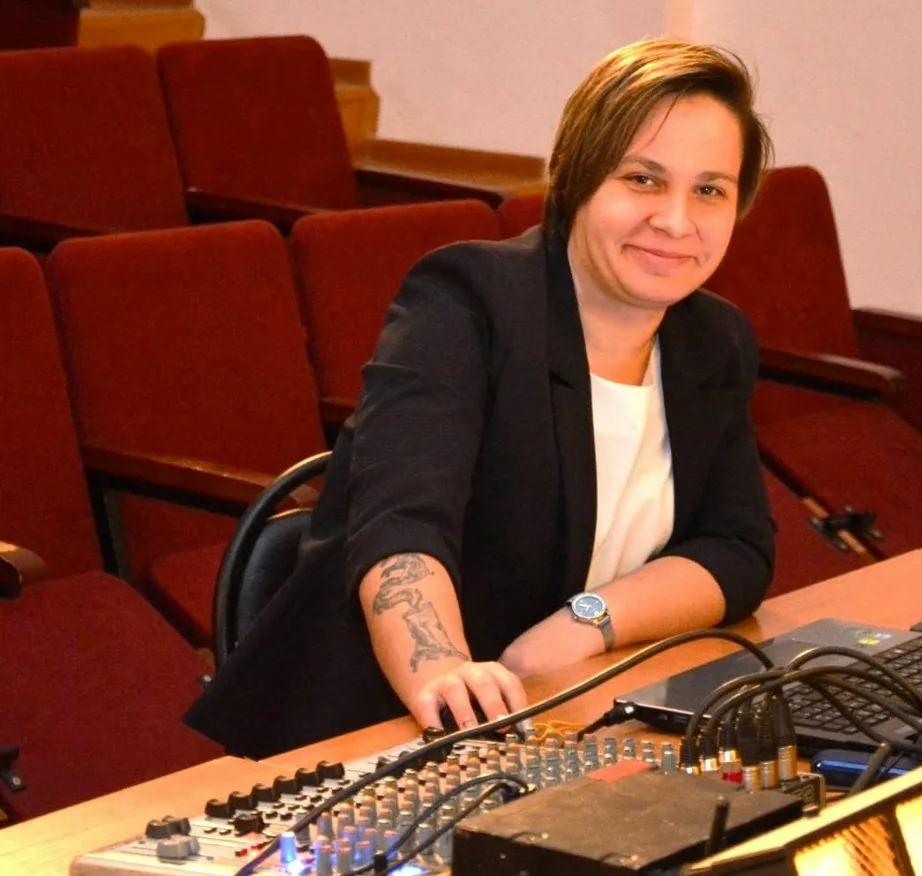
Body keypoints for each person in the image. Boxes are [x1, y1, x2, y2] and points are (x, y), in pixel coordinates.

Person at [186, 38, 777, 759]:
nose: (677, 221)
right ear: (577, 176)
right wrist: (443, 672)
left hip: (563, 710)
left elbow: (736, 547)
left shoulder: (713, 339)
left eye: (710, 190)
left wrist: (586, 622)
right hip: (373, 728)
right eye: (643, 179)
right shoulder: (466, 301)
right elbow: (402, 522)